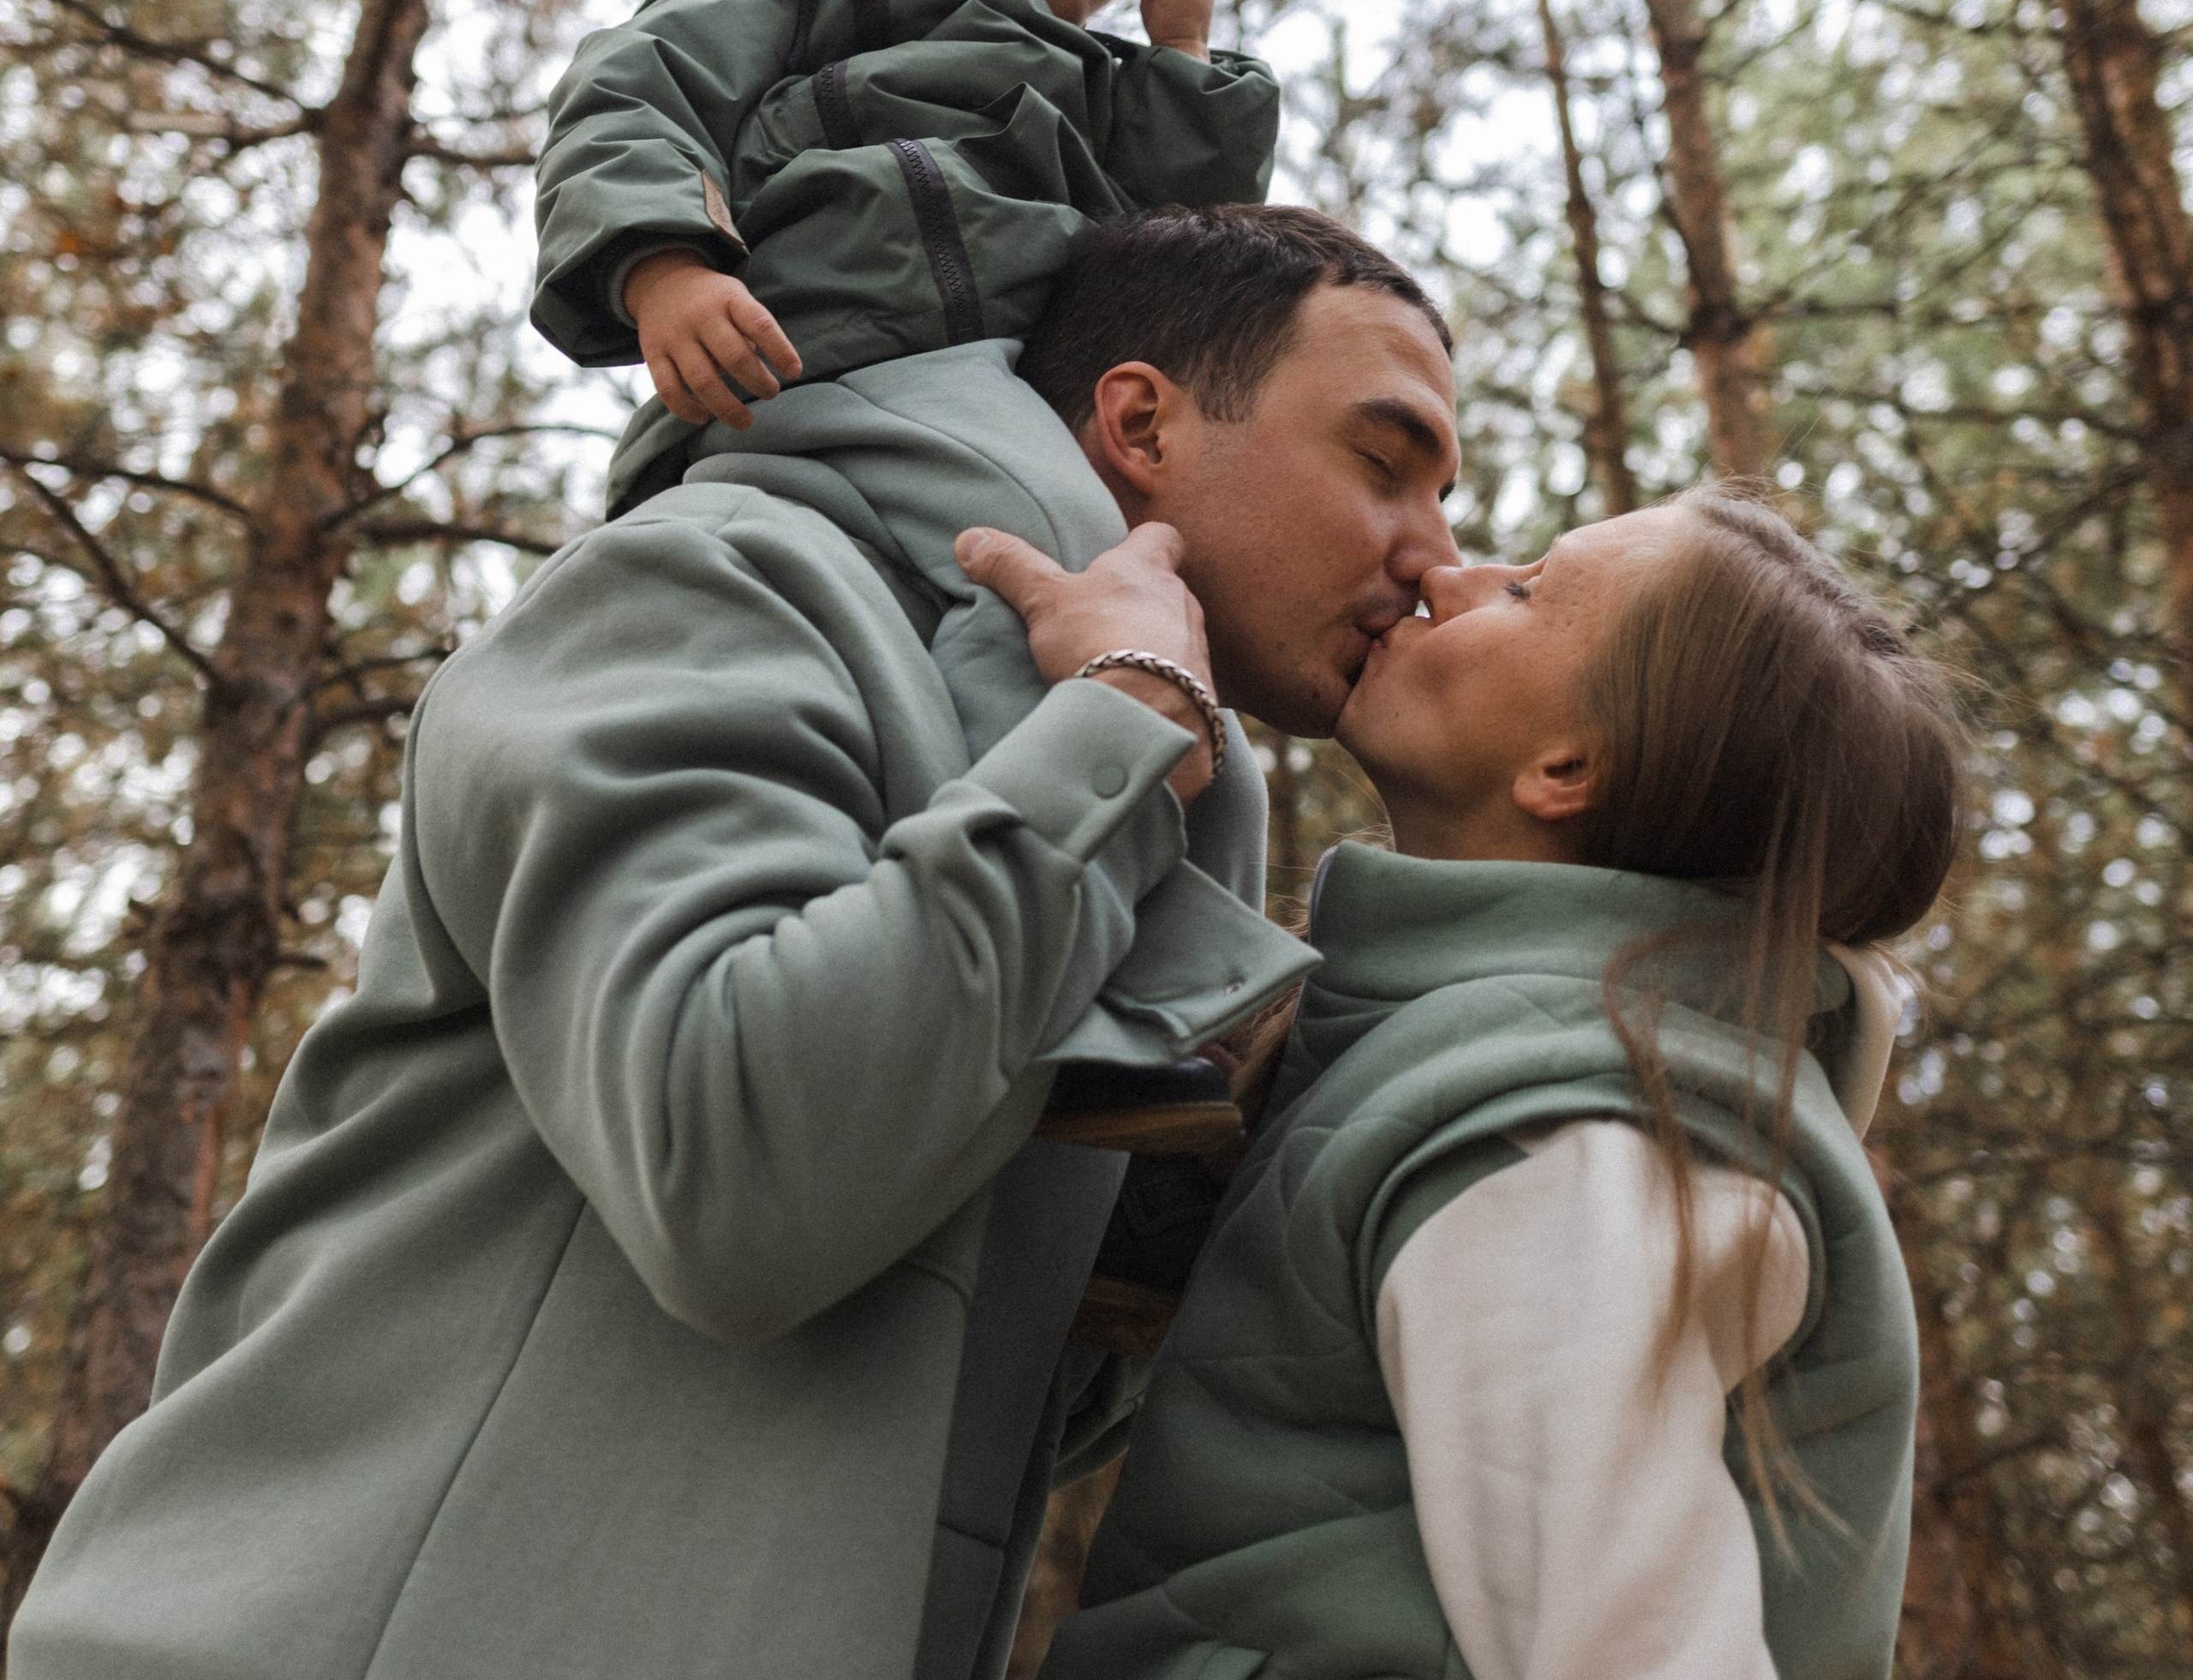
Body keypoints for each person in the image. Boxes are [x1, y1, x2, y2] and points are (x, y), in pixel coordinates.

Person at [11, 204, 1462, 1680]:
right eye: (1384, 462)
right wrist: (1122, 730)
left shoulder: (1139, 790)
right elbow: (736, 1173)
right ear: (1141, 422)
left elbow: (964, 1389)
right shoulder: (719, 582)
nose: (1434, 555)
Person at [1013, 487, 1964, 1680]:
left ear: (1567, 766)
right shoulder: (1508, 1077)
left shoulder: (1563, 1127)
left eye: (1524, 591)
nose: (1445, 574)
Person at [531, 0, 1280, 521]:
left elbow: (1182, 273)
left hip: (1013, 450)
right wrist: (664, 268)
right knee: (694, 573)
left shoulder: (1091, 104)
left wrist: (1184, 59)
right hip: (773, 404)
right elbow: (639, 95)